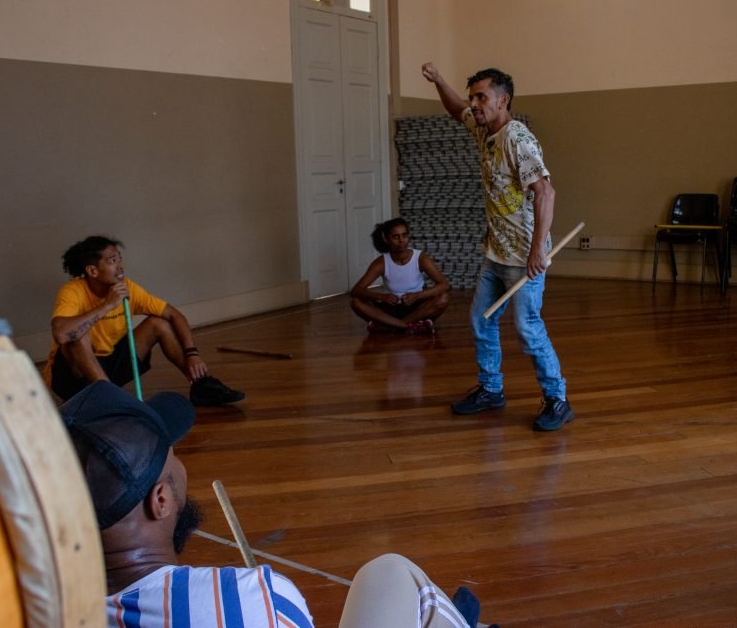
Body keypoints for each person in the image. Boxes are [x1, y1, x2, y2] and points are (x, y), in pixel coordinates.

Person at [59, 380, 486, 628]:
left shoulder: (27, 609)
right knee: (394, 575)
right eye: (173, 456)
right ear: (161, 500)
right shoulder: (250, 598)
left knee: (388, 576)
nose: (179, 463)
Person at [422, 62, 573, 431]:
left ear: (503, 100)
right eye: (473, 95)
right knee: (481, 320)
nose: (473, 103)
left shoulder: (517, 139)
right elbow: (455, 108)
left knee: (527, 328)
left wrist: (538, 250)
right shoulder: (483, 128)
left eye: (481, 97)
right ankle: (491, 389)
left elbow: (545, 192)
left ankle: (558, 399)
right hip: (496, 253)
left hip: (524, 258)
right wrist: (440, 80)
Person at [43, 235, 244, 406]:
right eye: (112, 261)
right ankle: (112, 400)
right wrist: (107, 305)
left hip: (108, 367)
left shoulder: (128, 288)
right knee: (77, 336)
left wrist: (192, 354)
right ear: (92, 271)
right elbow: (61, 334)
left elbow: (175, 315)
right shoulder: (72, 292)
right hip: (74, 377)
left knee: (159, 324)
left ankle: (201, 386)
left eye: (119, 259)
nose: (120, 265)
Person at [350, 217, 451, 334]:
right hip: (391, 308)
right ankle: (409, 326)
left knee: (444, 298)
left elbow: (444, 285)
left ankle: (391, 326)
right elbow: (356, 290)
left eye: (404, 235)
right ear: (386, 239)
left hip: (417, 307)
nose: (401, 240)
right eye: (395, 237)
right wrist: (380, 297)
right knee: (356, 302)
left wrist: (417, 296)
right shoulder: (381, 262)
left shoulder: (420, 258)